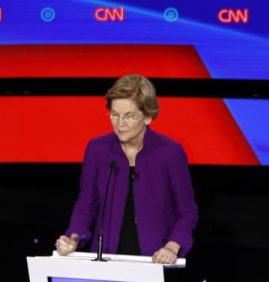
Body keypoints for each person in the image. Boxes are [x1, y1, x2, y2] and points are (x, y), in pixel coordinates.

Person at [55, 74, 198, 264]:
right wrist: (73, 238)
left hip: (154, 261)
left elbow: (187, 212)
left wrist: (172, 246)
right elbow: (87, 204)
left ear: (147, 117)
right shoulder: (98, 149)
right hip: (106, 259)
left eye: (129, 116)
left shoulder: (170, 152)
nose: (120, 123)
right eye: (115, 114)